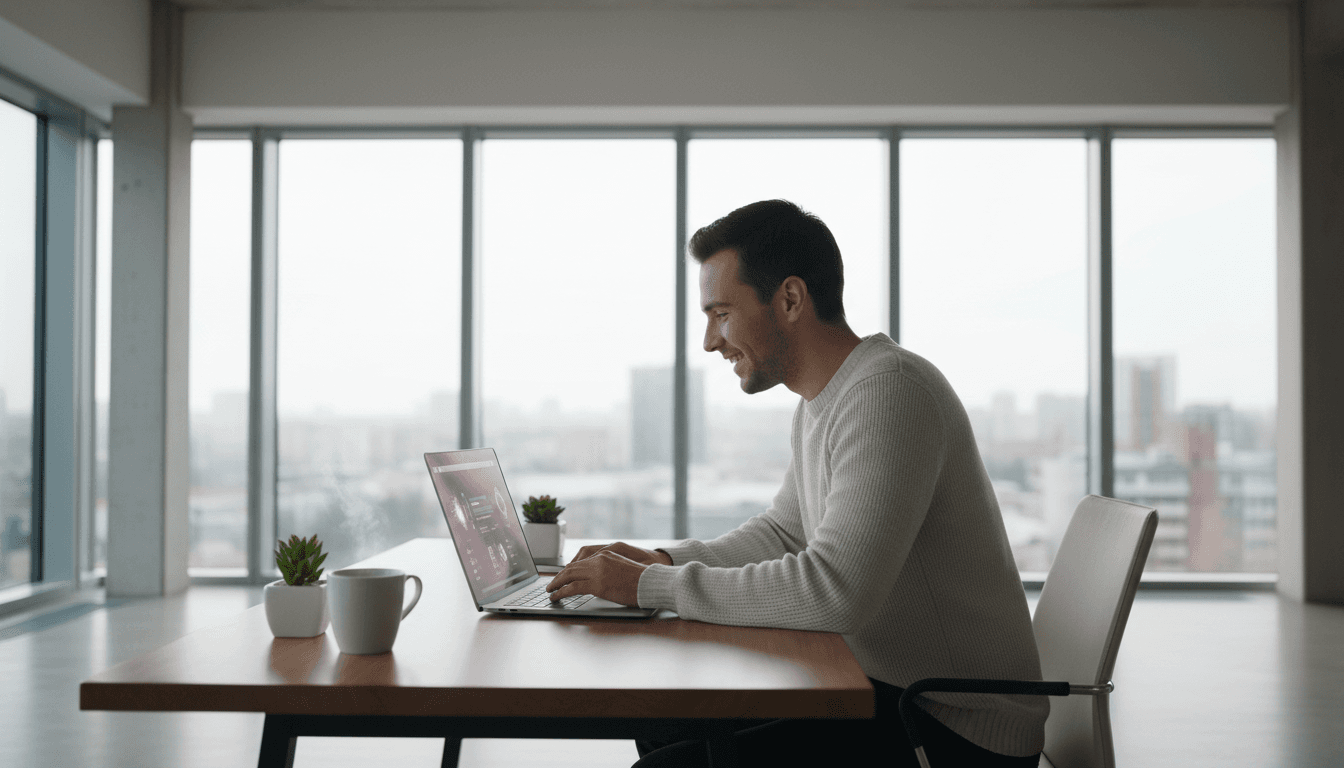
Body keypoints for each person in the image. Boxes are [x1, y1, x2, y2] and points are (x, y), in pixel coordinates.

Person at [545, 199, 1047, 767]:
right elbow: (785, 533)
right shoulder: (824, 400)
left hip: (950, 728)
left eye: (722, 314)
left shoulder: (890, 392)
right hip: (886, 690)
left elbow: (835, 591)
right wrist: (658, 561)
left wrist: (649, 589)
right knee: (664, 724)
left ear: (789, 299)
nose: (710, 341)